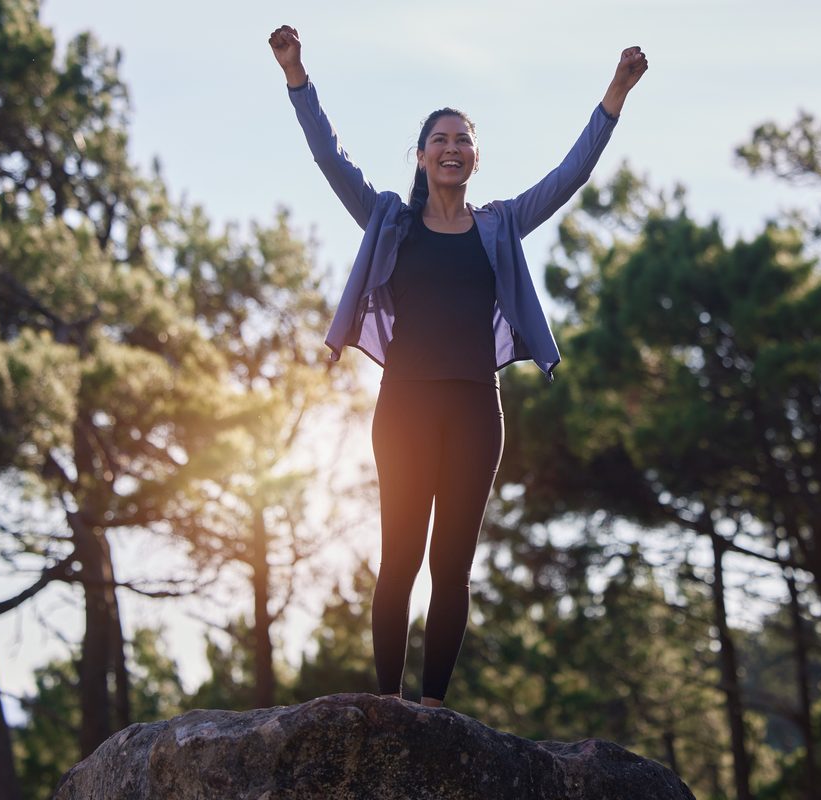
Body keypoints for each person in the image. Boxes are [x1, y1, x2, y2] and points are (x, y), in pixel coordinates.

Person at [268, 24, 647, 708]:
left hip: (477, 410)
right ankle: (388, 706)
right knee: (401, 559)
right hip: (404, 409)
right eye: (439, 139)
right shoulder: (389, 218)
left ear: (475, 158)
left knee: (452, 567)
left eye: (462, 140)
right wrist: (298, 76)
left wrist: (614, 95)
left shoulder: (501, 224)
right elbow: (330, 157)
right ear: (420, 156)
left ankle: (434, 707)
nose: (451, 148)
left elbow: (571, 176)